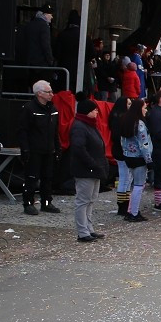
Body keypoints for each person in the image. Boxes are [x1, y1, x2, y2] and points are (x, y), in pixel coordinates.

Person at [18, 80, 60, 216]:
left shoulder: (53, 109)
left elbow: (55, 131)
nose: (51, 95)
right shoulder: (29, 109)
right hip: (34, 150)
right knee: (31, 178)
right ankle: (28, 203)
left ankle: (46, 202)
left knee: (48, 177)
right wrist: (25, 149)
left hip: (49, 149)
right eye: (48, 92)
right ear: (39, 93)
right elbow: (23, 130)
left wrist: (57, 148)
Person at [70, 100, 108, 242]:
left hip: (94, 169)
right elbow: (79, 148)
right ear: (87, 111)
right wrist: (92, 163)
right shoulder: (80, 126)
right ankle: (82, 231)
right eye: (94, 110)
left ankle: (89, 228)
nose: (97, 112)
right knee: (83, 201)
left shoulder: (89, 125)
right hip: (85, 170)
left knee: (91, 200)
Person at [120, 98, 153, 223]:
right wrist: (149, 160)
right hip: (139, 158)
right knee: (139, 186)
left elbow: (122, 140)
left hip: (128, 156)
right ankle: (134, 212)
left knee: (132, 184)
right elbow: (143, 143)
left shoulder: (125, 120)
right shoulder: (139, 123)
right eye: (144, 107)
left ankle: (130, 210)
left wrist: (125, 152)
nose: (146, 110)